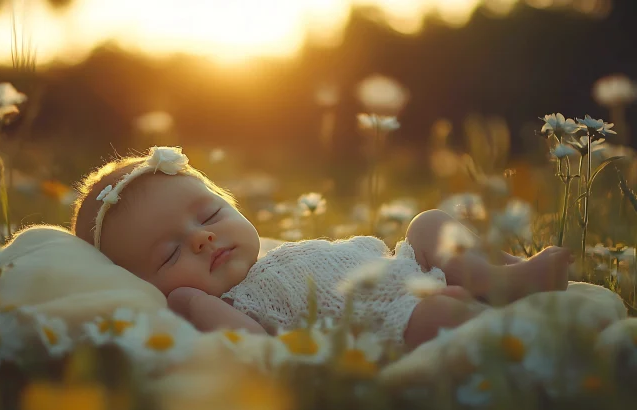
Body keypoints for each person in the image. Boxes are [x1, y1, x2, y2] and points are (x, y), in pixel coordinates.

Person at [70, 146, 573, 350]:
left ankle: (503, 277)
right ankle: (505, 328)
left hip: (399, 267)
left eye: (209, 216)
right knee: (443, 322)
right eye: (170, 255)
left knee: (429, 225)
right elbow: (250, 347)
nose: (202, 238)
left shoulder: (271, 250)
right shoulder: (198, 302)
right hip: (378, 321)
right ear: (143, 284)